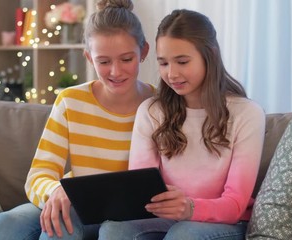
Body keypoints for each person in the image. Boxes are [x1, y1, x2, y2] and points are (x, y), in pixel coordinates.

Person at [0, 0, 154, 239]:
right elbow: (38, 176)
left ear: (143, 52)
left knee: (66, 223)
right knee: (7, 222)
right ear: (88, 57)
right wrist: (58, 190)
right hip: (77, 203)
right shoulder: (71, 101)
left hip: (127, 215)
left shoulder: (159, 105)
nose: (115, 71)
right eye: (104, 62)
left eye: (126, 59)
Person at [98, 9, 266, 240]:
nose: (172, 73)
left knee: (183, 234)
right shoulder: (151, 111)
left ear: (211, 56)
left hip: (226, 222)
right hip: (166, 219)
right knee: (113, 229)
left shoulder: (246, 113)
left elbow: (235, 203)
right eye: (164, 63)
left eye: (182, 61)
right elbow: (139, 189)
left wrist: (190, 207)